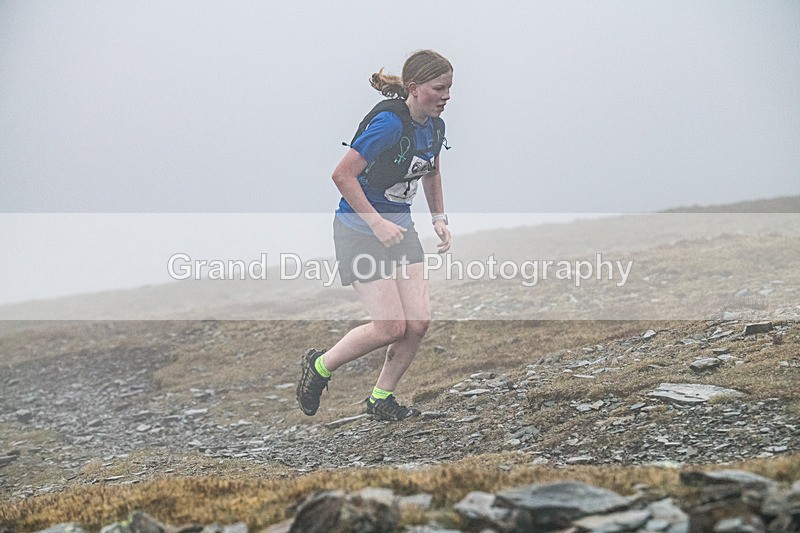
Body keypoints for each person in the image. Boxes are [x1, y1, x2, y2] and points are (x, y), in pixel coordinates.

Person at [296, 49, 453, 422]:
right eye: (439, 88)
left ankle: (381, 398)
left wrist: (439, 218)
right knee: (389, 326)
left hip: (400, 229)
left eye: (450, 88)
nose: (446, 96)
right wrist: (377, 224)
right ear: (414, 88)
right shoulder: (388, 124)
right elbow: (342, 175)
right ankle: (320, 366)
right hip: (359, 231)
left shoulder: (434, 125)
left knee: (417, 323)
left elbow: (430, 172)